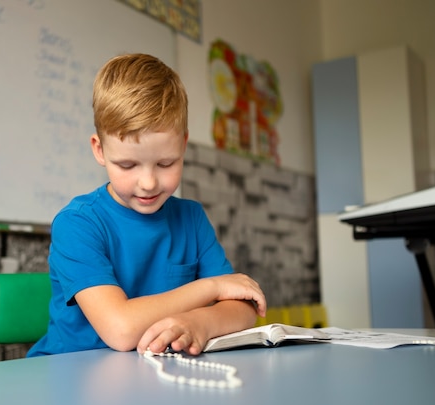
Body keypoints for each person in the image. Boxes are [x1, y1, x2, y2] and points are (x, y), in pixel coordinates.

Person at [27, 53, 266, 357]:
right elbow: (121, 330)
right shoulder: (77, 224)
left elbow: (245, 308)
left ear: (183, 145)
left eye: (166, 163)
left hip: (155, 377)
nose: (149, 182)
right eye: (128, 165)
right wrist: (213, 288)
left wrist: (200, 323)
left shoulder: (191, 218)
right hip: (72, 379)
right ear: (99, 150)